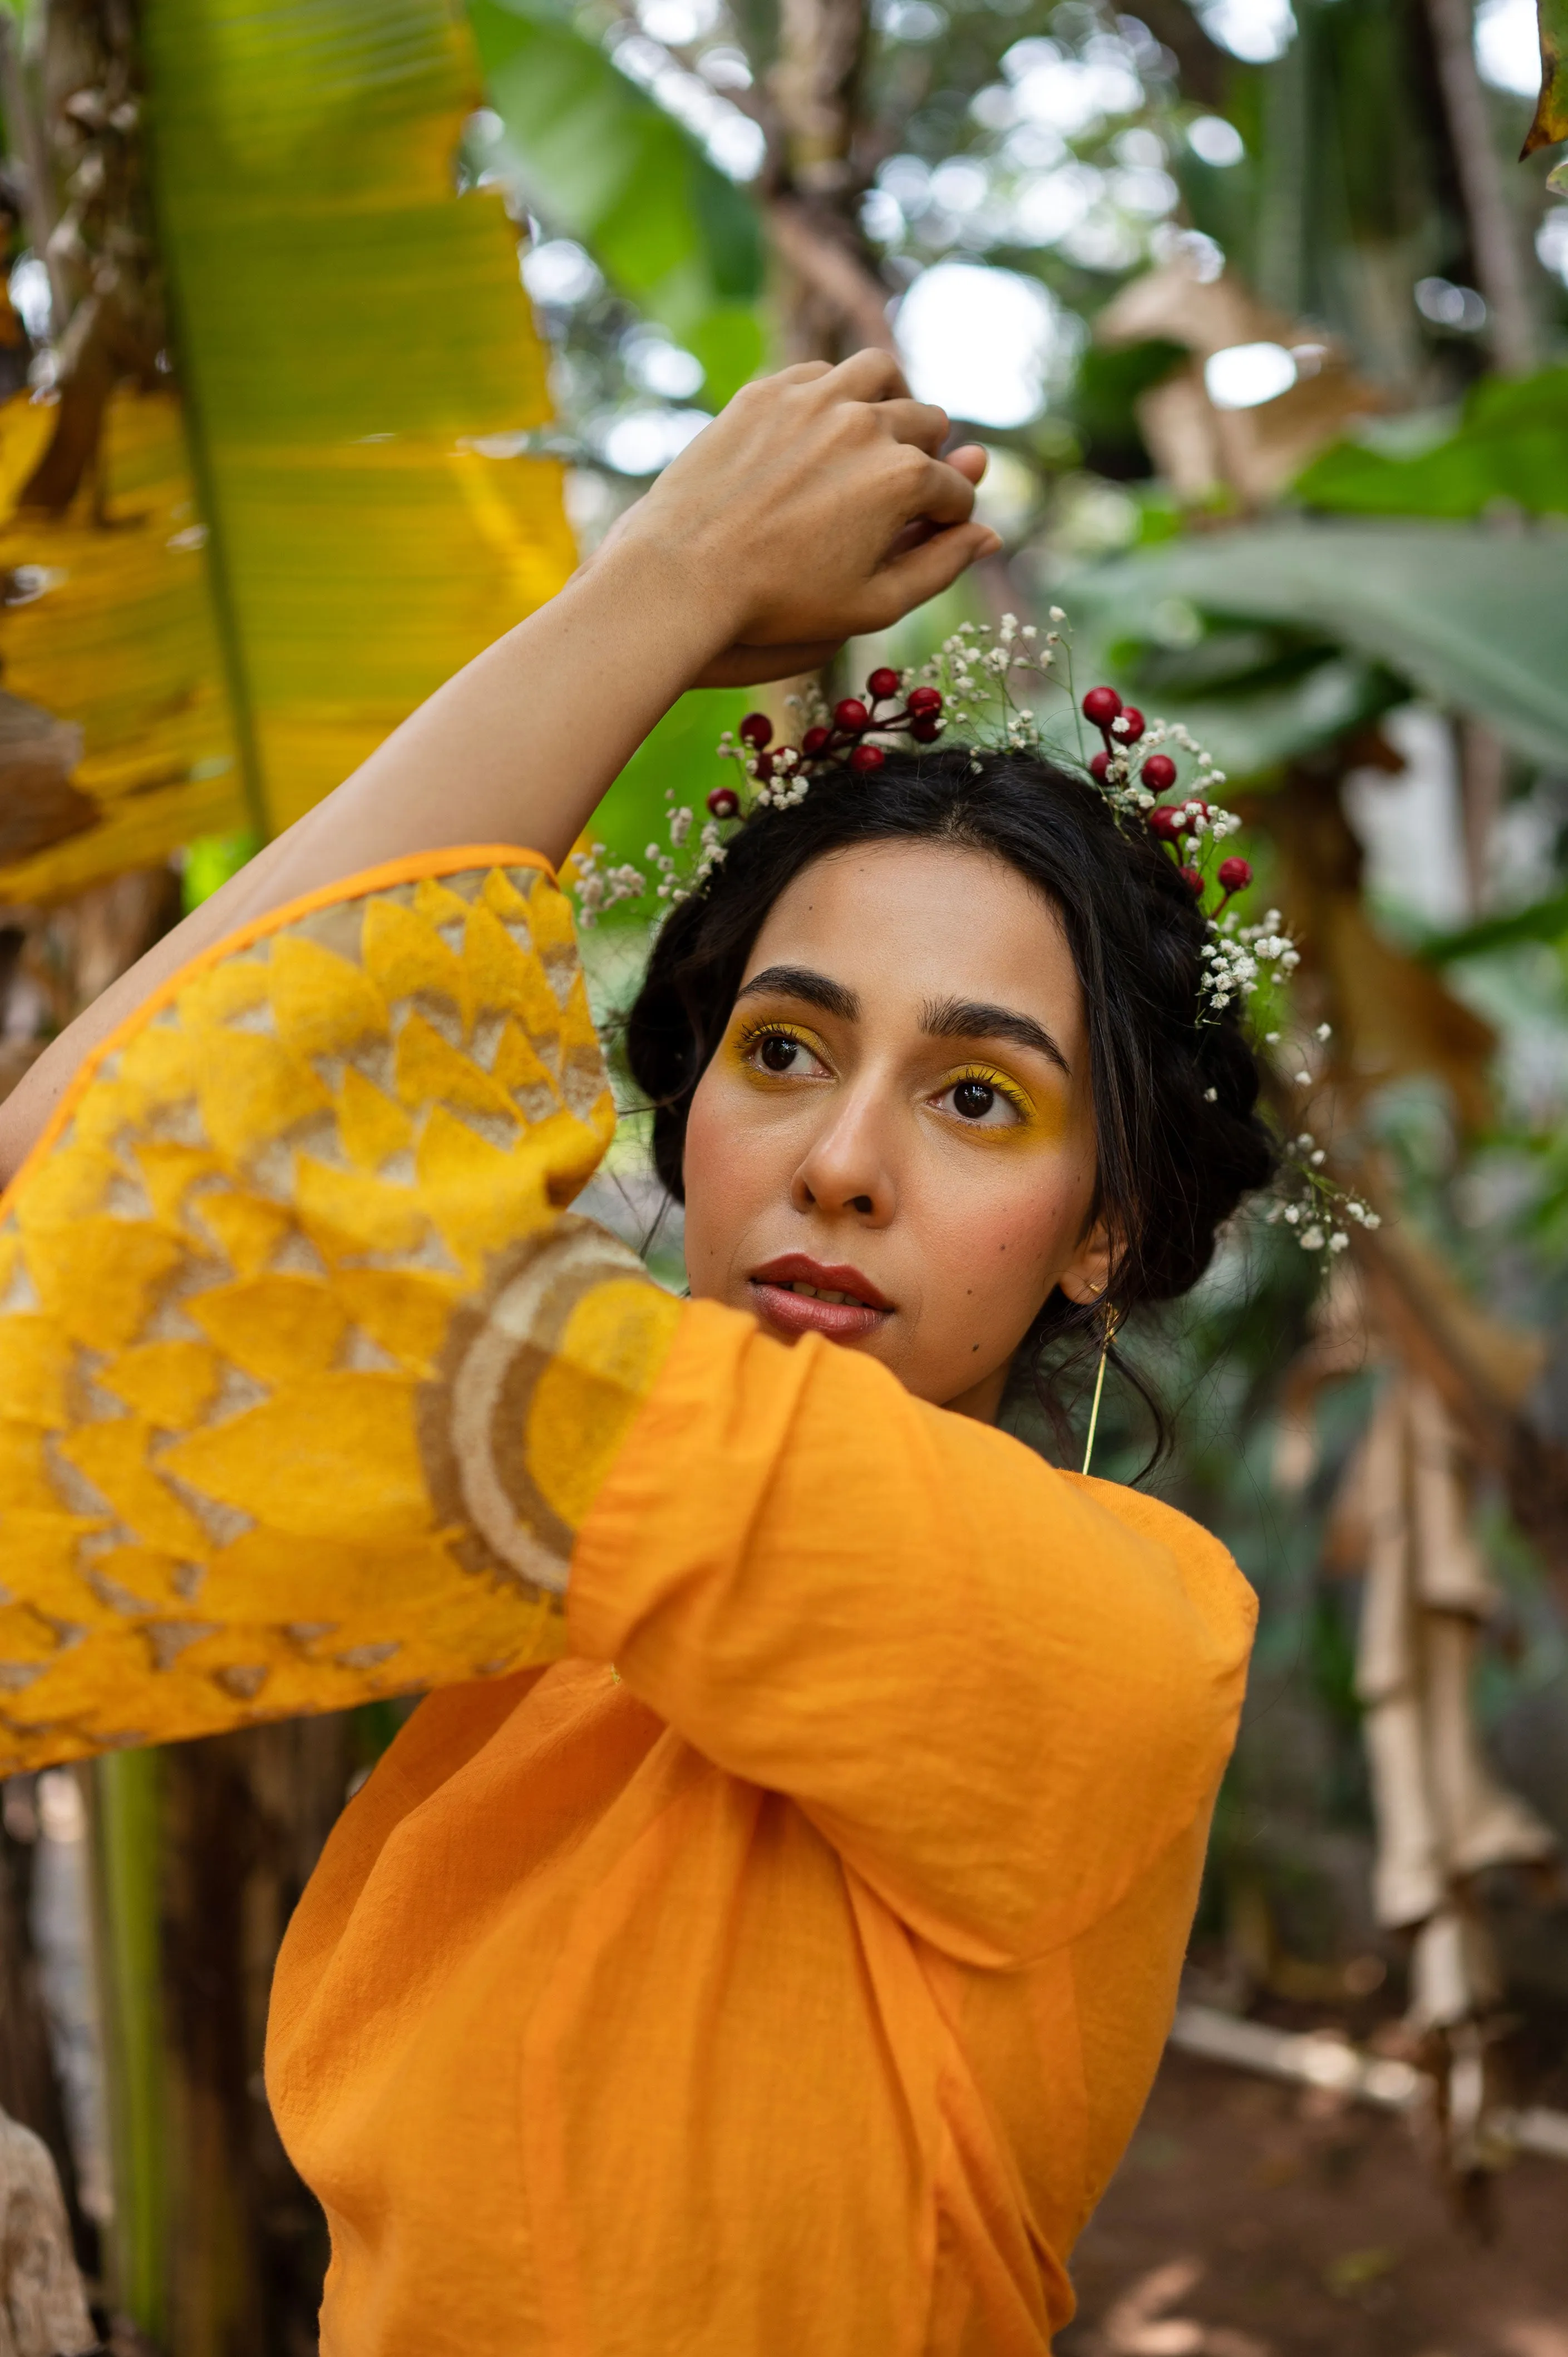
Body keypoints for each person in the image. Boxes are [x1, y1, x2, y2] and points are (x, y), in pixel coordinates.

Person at [0, 353, 1265, 2354]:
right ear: (689, 1119)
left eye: (979, 1100)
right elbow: (80, 1206)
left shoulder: (1123, 1635)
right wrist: (643, 595)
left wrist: (659, 587)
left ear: (1103, 1229)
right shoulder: (538, 1646)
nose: (841, 1163)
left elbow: (110, 1174)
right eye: (785, 1051)